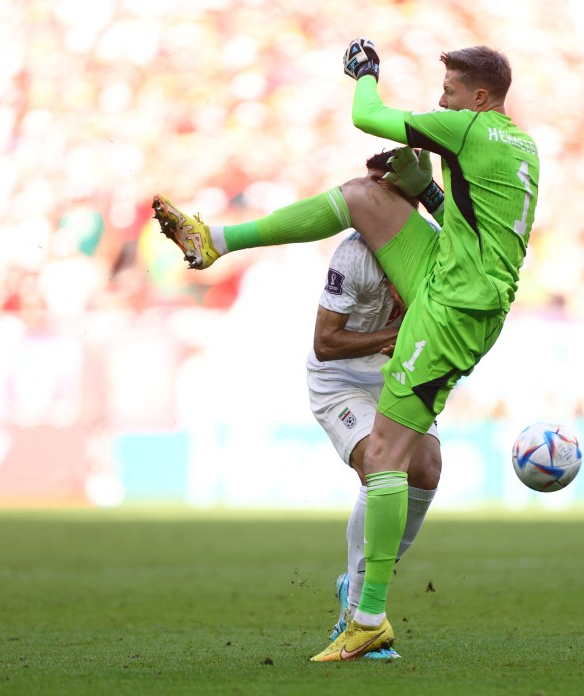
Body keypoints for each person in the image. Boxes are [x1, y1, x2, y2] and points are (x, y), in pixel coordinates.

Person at [152, 39, 540, 660]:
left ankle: (369, 615)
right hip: (455, 277)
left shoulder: (469, 129)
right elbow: (478, 224)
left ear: (480, 97)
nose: (441, 98)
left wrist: (366, 74)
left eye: (450, 89)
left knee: (387, 458)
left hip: (455, 309)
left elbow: (367, 116)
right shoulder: (518, 145)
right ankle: (214, 239)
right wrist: (428, 193)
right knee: (363, 195)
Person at [309, 150, 441, 660]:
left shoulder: (430, 249)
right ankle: (361, 611)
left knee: (427, 467)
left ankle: (359, 584)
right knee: (381, 468)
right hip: (339, 381)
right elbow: (326, 342)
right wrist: (394, 334)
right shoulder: (353, 255)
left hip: (391, 379)